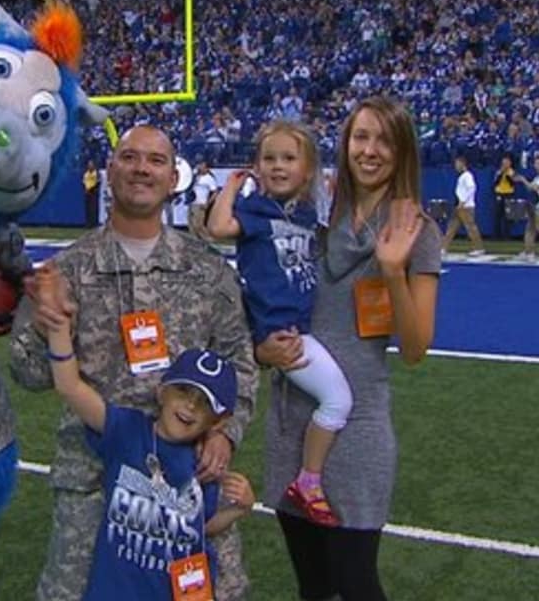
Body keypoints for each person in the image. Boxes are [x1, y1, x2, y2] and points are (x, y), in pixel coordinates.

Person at [10, 125, 259, 601]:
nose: (142, 168)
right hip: (95, 482)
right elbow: (28, 374)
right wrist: (47, 323)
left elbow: (239, 362)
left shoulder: (207, 270)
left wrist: (227, 432)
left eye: (156, 160)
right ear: (110, 172)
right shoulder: (69, 269)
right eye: (129, 157)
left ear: (173, 180)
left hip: (188, 481)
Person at [254, 96, 441, 601]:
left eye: (384, 140)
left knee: (356, 584)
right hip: (293, 417)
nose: (370, 150)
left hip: (357, 426)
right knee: (313, 586)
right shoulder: (311, 218)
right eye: (361, 137)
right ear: (345, 144)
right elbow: (267, 298)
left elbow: (416, 347)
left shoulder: (416, 230)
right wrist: (261, 351)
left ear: (402, 152)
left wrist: (394, 270)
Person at [34, 261, 255, 601]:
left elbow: (200, 527)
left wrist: (236, 510)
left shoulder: (204, 465)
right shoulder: (127, 431)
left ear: (218, 421)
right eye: (184, 392)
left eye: (204, 404)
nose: (190, 407)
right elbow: (69, 387)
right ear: (162, 391)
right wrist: (59, 326)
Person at [205, 121, 349, 527]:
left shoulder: (303, 213)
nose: (277, 166)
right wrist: (233, 186)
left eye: (289, 158)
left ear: (307, 170)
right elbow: (218, 229)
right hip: (280, 332)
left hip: (300, 325)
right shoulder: (255, 210)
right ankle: (309, 480)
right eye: (269, 159)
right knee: (339, 401)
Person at [441, 154, 485, 257]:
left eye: (457, 163)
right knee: (451, 227)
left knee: (470, 227)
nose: (455, 166)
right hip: (460, 206)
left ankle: (479, 248)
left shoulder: (467, 176)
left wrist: (463, 201)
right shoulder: (462, 176)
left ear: (462, 164)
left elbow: (472, 188)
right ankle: (443, 248)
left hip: (466, 206)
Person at [188, 160, 218, 241]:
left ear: (207, 168)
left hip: (201, 203)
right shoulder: (195, 176)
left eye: (203, 167)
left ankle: (209, 239)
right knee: (191, 225)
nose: (201, 168)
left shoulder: (209, 178)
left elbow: (215, 192)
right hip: (192, 203)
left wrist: (208, 203)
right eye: (200, 166)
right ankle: (194, 242)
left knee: (198, 225)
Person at [492, 154, 517, 239]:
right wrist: (501, 173)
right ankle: (496, 235)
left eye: (507, 162)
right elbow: (495, 183)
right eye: (504, 162)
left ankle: (507, 235)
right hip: (499, 193)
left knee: (508, 215)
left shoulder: (511, 172)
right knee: (497, 215)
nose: (505, 164)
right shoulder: (498, 171)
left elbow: (512, 183)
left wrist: (507, 175)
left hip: (508, 193)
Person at [82, 159, 100, 228]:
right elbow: (84, 182)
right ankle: (88, 223)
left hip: (93, 192)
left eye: (91, 164)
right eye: (89, 164)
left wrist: (91, 189)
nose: (90, 166)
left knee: (93, 208)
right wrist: (86, 190)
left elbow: (98, 182)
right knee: (88, 209)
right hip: (87, 193)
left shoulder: (96, 173)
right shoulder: (86, 174)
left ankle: (94, 223)